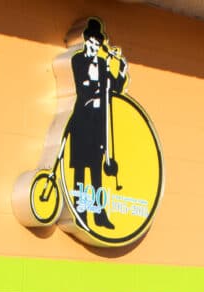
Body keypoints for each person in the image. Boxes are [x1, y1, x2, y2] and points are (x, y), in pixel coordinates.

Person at [66, 18, 127, 232]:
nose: (95, 46)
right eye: (92, 42)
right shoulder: (78, 60)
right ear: (85, 40)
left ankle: (99, 215)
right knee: (80, 170)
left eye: (98, 43)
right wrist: (98, 87)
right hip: (82, 121)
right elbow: (82, 89)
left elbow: (115, 87)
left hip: (97, 124)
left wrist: (120, 70)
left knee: (96, 170)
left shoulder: (102, 64)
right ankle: (80, 213)